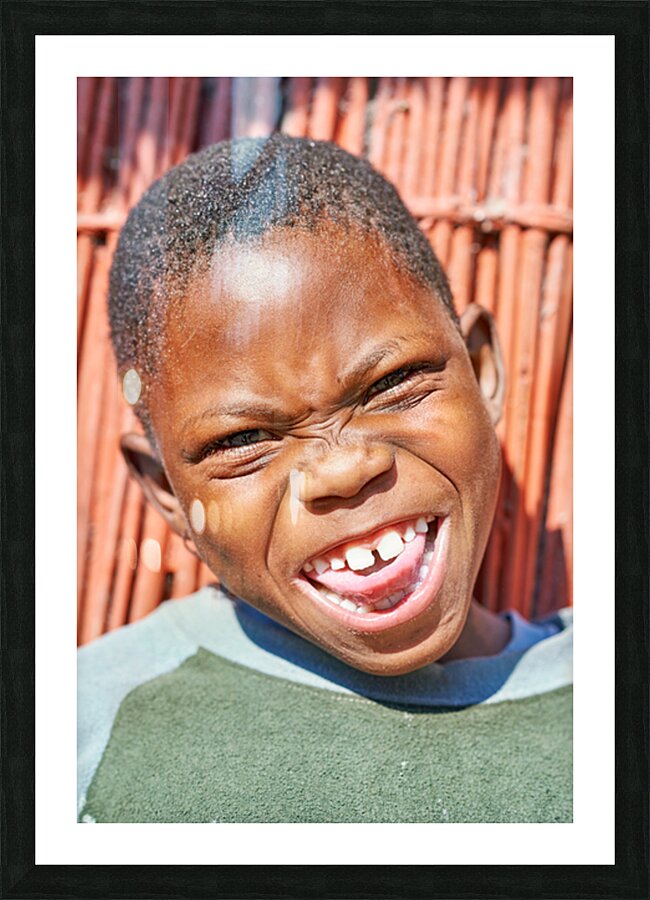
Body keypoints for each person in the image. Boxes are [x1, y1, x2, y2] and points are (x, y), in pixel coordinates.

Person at [78, 135, 572, 823]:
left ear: (481, 371)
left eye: (394, 382)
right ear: (168, 495)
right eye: (243, 440)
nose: (342, 468)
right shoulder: (81, 730)